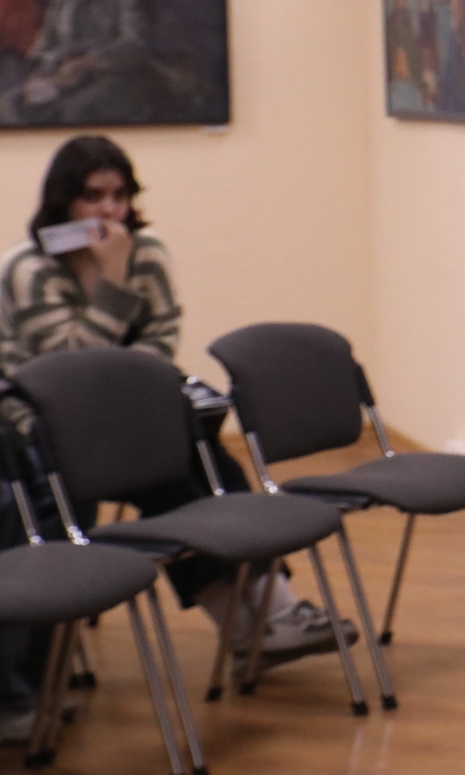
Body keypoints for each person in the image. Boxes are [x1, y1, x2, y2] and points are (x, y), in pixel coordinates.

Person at [0, 136, 350, 741]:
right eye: (92, 196)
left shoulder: (149, 252)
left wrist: (128, 395)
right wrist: (112, 281)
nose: (109, 211)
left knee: (197, 456)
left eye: (120, 195)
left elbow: (158, 345)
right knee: (158, 465)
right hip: (37, 427)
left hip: (119, 419)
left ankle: (267, 617)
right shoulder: (28, 269)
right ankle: (256, 623)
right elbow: (69, 370)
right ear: (63, 201)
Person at [1, 0, 164, 126]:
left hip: (108, 74)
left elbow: (135, 43)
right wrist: (35, 65)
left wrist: (86, 62)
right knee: (11, 105)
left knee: (73, 114)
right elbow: (48, 34)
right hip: (60, 71)